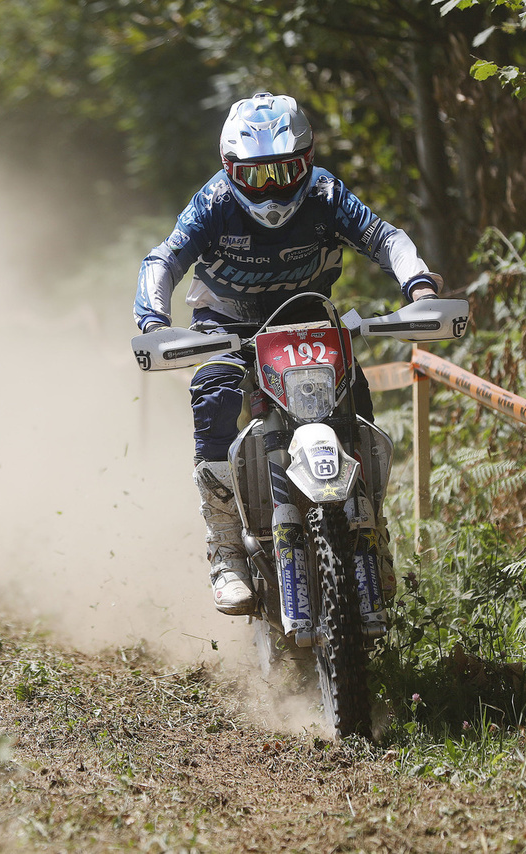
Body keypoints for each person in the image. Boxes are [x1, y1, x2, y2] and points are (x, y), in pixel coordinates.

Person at [134, 92, 441, 615]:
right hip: (228, 322)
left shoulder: (325, 193)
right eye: (255, 177)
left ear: (308, 161)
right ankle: (226, 549)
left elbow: (385, 238)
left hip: (307, 315)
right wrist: (154, 321)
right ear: (229, 170)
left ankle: (371, 530)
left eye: (284, 172)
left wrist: (420, 287)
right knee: (213, 396)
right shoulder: (213, 203)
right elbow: (163, 260)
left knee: (356, 401)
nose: (272, 189)